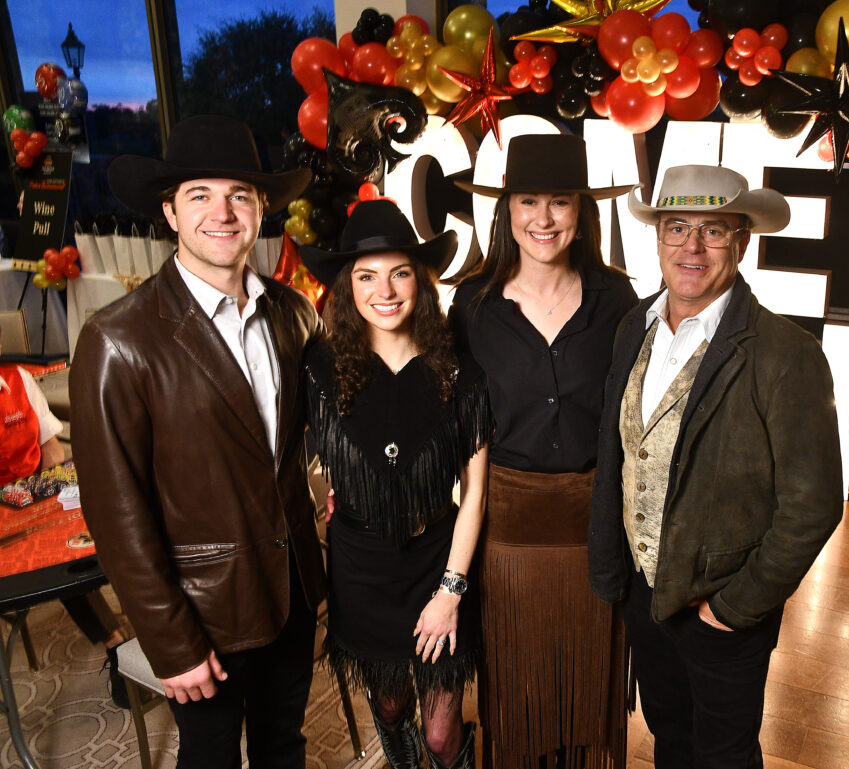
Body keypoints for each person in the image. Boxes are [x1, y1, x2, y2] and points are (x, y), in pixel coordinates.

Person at [69, 114, 326, 769]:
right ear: (169, 213)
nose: (223, 211)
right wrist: (170, 640)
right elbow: (116, 513)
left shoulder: (293, 313)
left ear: (262, 208)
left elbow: (309, 441)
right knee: (210, 757)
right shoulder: (118, 339)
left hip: (292, 590)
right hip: (204, 609)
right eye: (199, 195)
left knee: (283, 746)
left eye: (240, 194)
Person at [589, 164, 844, 768]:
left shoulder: (786, 354)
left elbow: (813, 508)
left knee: (724, 756)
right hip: (645, 598)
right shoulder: (634, 328)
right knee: (670, 740)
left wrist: (731, 610)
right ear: (657, 239)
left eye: (714, 230)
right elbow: (619, 454)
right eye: (677, 227)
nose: (692, 247)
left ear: (743, 241)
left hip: (724, 612)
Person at [449, 133, 637, 768]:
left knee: (589, 692)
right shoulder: (472, 306)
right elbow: (449, 415)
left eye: (560, 202)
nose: (544, 219)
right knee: (520, 693)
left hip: (595, 527)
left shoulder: (617, 301)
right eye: (529, 201)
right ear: (507, 211)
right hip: (509, 536)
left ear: (582, 211)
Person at [301, 199, 490, 769]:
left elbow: (475, 492)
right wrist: (328, 491)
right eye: (366, 276)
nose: (384, 290)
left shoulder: (459, 371)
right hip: (360, 568)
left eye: (399, 273)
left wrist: (451, 593)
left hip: (438, 563)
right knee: (388, 707)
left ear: (421, 281)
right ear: (346, 288)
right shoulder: (320, 367)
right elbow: (309, 459)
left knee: (438, 734)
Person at [0, 326, 128, 707]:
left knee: (75, 557)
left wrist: (77, 501)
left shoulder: (18, 379)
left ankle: (118, 647)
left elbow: (53, 453)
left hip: (37, 502)